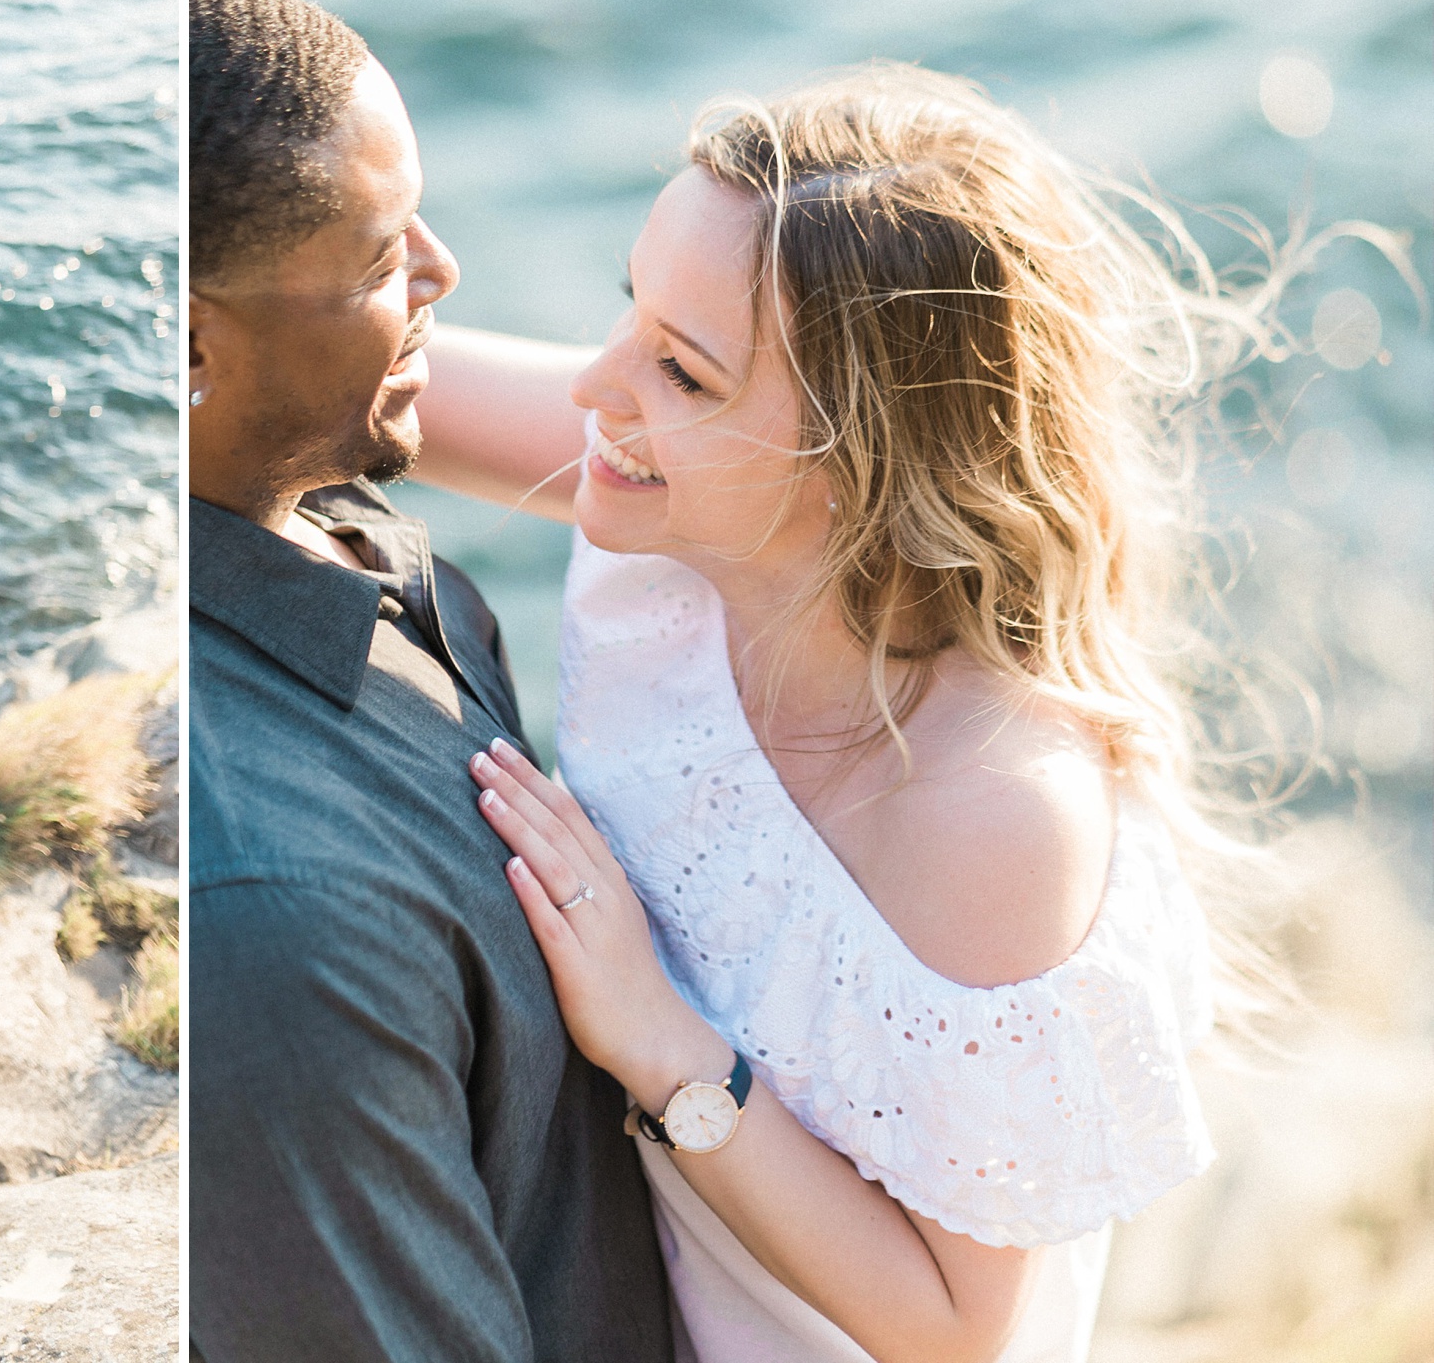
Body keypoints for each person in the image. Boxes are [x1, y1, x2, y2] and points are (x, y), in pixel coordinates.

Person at [418, 66, 1222, 1363]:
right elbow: (363, 381)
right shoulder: (672, 483)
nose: (599, 386)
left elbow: (959, 1328)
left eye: (682, 370)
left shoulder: (991, 811)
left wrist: (663, 1042)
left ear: (859, 460)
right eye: (633, 308)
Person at [186, 0, 674, 1363]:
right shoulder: (269, 922)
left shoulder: (326, 518)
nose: (444, 273)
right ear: (192, 343)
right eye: (384, 255)